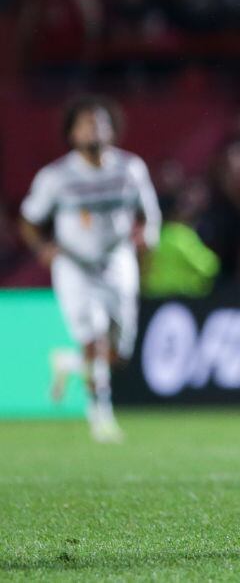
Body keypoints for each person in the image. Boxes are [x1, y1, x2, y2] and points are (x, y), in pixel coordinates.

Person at [19, 96, 161, 442]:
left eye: (100, 122)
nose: (93, 129)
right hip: (75, 265)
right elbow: (28, 220)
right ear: (71, 132)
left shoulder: (130, 168)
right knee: (93, 337)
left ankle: (68, 363)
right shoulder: (56, 176)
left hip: (117, 261)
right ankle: (101, 416)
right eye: (85, 123)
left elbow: (149, 214)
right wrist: (43, 248)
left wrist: (149, 237)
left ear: (113, 129)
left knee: (118, 351)